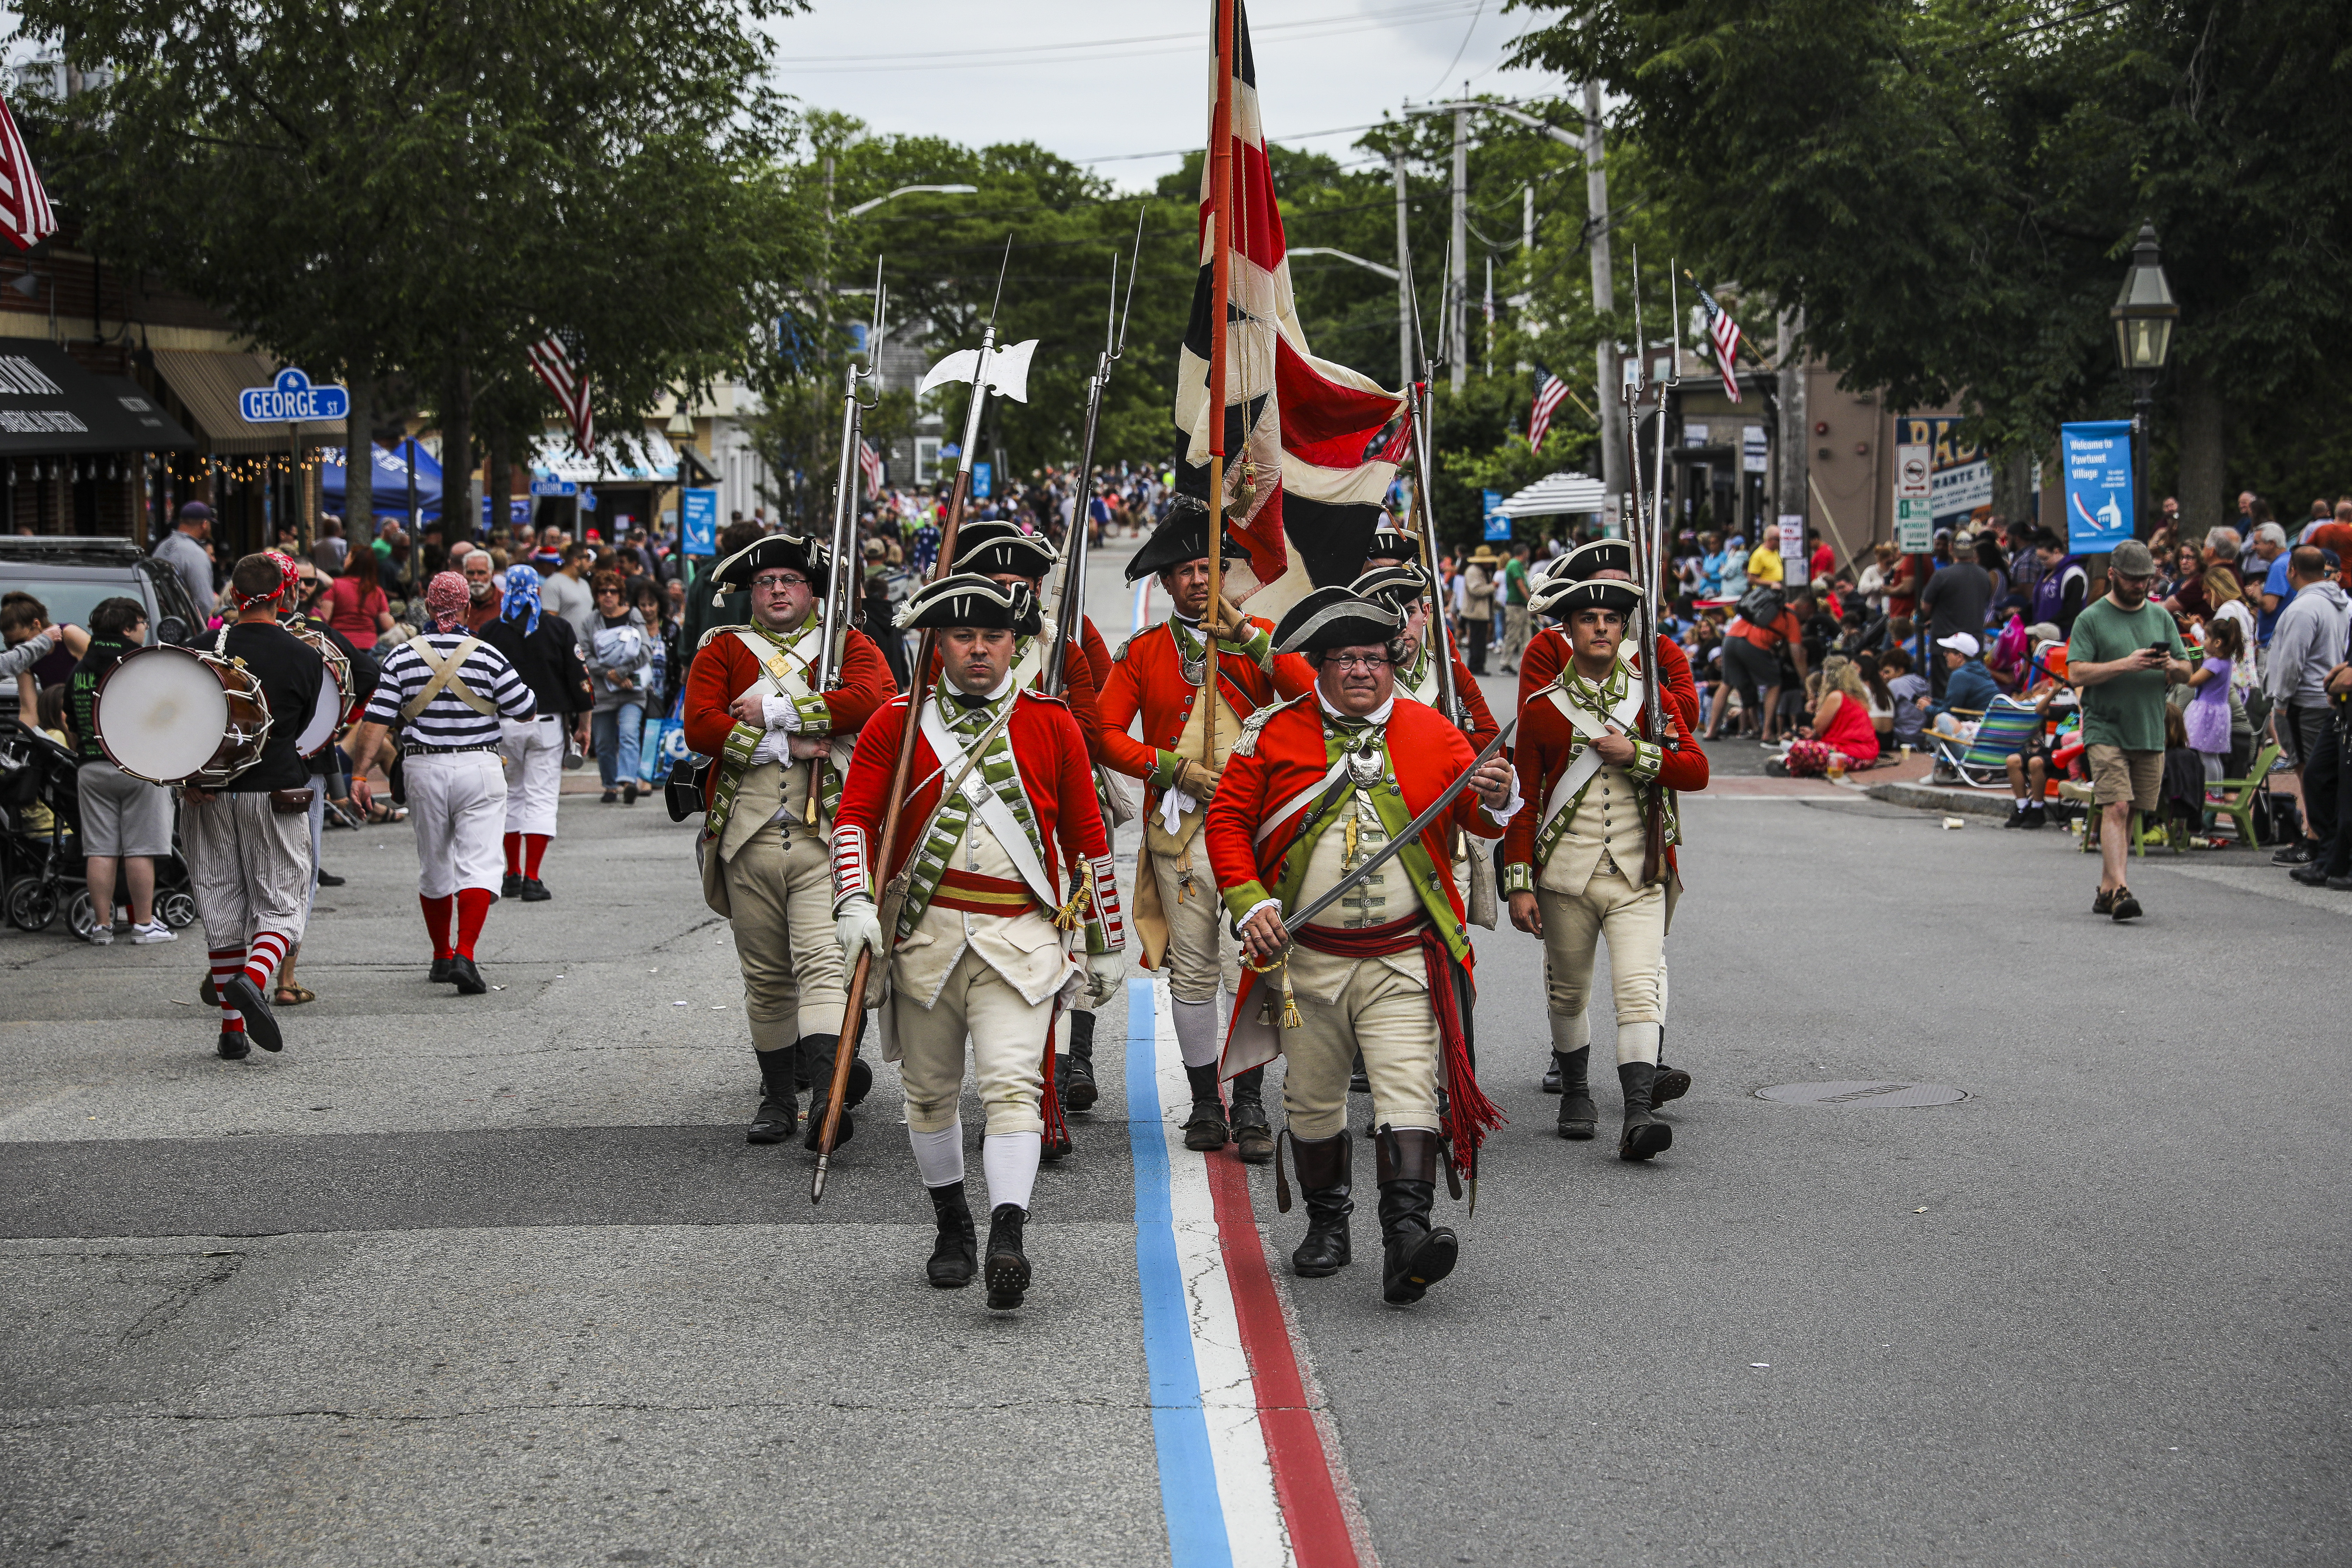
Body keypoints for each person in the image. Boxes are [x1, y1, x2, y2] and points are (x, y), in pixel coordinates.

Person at [1209, 586, 1518, 1304]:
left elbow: (1480, 816)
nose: (1359, 670)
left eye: (1373, 657)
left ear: (1393, 662)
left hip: (1404, 957)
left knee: (1407, 1088)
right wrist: (1250, 900)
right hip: (1306, 959)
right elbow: (1226, 826)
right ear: (1318, 664)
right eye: (1344, 657)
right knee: (1313, 1101)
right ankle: (1326, 1223)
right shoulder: (1271, 733)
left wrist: (1497, 792)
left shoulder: (1436, 731)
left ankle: (1407, 1235)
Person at [831, 574, 1124, 1310]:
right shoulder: (897, 722)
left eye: (994, 636)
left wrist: (1106, 938)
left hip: (1020, 941)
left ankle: (1007, 1233)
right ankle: (952, 1223)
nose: (980, 649)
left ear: (1016, 644)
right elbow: (854, 820)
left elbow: (1089, 840)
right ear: (938, 644)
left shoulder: (1050, 723)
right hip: (924, 939)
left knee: (1011, 1087)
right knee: (929, 1095)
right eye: (963, 636)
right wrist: (854, 897)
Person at [1094, 497, 1316, 1163]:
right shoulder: (1143, 654)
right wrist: (1169, 768)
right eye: (1187, 570)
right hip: (1180, 836)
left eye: (1210, 568)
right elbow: (1103, 734)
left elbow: (1308, 697)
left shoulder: (1261, 638)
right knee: (1192, 970)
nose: (1199, 580)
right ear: (1166, 584)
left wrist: (1248, 636)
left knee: (1249, 962)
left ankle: (1249, 1104)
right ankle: (1204, 1103)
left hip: (1253, 831)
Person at [682, 531, 895, 1146]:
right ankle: (777, 1098)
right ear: (753, 593)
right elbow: (701, 724)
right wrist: (783, 745)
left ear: (812, 592)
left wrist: (775, 711)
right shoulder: (722, 651)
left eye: (791, 581)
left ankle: (829, 1103)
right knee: (767, 977)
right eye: (767, 583)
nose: (778, 591)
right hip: (744, 840)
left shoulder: (848, 646)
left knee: (825, 966)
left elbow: (869, 701)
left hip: (821, 837)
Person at [1505, 569, 1710, 1150]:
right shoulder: (1545, 707)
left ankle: (1639, 1112)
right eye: (1590, 620)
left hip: (1638, 874)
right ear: (1568, 630)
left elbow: (1696, 770)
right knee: (1568, 991)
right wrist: (1519, 883)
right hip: (1566, 875)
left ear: (1624, 629)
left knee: (1640, 987)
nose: (1601, 628)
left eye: (1612, 620)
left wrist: (1640, 753)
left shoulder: (1654, 697)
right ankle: (1575, 1090)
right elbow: (1524, 802)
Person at [929, 521, 1114, 1122]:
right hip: (981, 812)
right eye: (1000, 582)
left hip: (1058, 808)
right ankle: (1027, 1083)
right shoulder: (963, 643)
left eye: (1025, 583)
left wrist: (1047, 712)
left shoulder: (1069, 643)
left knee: (1076, 946)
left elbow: (1094, 729)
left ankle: (1072, 1061)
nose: (1014, 593)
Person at [346, 571, 538, 992]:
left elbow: (376, 721)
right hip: (479, 766)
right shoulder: (489, 655)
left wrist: (360, 775)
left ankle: (439, 955)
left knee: (434, 863)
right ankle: (465, 954)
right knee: (480, 863)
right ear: (469, 608)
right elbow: (525, 708)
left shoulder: (400, 657)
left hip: (423, 767)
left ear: (429, 608)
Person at [179, 553, 324, 1058]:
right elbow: (303, 726)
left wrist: (189, 776)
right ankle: (255, 977)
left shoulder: (197, 650)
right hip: (276, 794)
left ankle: (231, 1030)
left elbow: (176, 725)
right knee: (282, 903)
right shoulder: (306, 657)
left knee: (221, 905)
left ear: (233, 596)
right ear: (284, 596)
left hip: (207, 792)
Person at [2065, 538, 2193, 921]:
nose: (2142, 586)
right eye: (2134, 579)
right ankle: (2122, 890)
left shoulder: (2161, 617)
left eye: (2147, 580)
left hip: (2150, 727)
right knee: (2115, 805)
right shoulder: (2091, 618)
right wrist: (2126, 664)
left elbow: (2189, 671)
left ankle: (2107, 889)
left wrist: (2170, 663)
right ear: (2113, 575)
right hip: (2106, 726)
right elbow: (2076, 672)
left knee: (2132, 809)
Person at [65, 597, 176, 944]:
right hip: (137, 766)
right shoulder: (138, 665)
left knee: (99, 848)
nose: (145, 630)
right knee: (139, 847)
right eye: (142, 624)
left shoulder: (80, 670)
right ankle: (144, 924)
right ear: (128, 628)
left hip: (91, 767)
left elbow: (69, 717)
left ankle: (101, 927)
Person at [481, 564, 592, 901]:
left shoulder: (489, 633)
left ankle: (511, 873)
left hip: (502, 725)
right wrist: (584, 725)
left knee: (510, 795)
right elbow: (580, 679)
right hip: (546, 723)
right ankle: (532, 877)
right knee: (541, 797)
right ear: (537, 590)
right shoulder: (558, 629)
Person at [2264, 546, 2352, 867]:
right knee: (2320, 774)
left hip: (2304, 700)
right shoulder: (2337, 602)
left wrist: (2282, 699)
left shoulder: (2304, 608)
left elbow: (2292, 660)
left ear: (2292, 572)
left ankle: (2315, 840)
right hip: (2325, 694)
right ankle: (2324, 840)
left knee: (2308, 772)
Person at [583, 570, 651, 804]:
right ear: (597, 595)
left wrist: (621, 673)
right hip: (603, 691)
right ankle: (610, 786)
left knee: (630, 733)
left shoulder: (634, 615)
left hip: (633, 689)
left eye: (613, 591)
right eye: (603, 591)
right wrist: (609, 675)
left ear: (620, 594)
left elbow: (646, 650)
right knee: (603, 742)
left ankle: (629, 781)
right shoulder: (589, 621)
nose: (608, 596)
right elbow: (586, 656)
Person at [1713, 586, 1806, 743]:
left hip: (1730, 638)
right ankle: (1767, 733)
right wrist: (1805, 680)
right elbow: (1797, 653)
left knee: (1726, 683)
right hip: (1752, 643)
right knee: (1774, 684)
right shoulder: (1792, 615)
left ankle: (1711, 731)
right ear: (1807, 608)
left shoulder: (1764, 605)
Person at [1919, 531, 1995, 699]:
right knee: (1970, 696)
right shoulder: (1985, 576)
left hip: (1946, 646)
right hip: (1974, 647)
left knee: (1945, 696)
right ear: (1973, 551)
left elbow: (1925, 608)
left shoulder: (1942, 576)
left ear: (1952, 549)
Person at [1782, 655, 1880, 777]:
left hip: (1850, 754)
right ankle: (1796, 766)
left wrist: (1817, 712)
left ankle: (1789, 765)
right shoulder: (1854, 696)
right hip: (1866, 755)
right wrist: (1813, 736)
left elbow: (1818, 726)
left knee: (1800, 747)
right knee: (1806, 746)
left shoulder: (1837, 696)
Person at [2184, 617, 2242, 784]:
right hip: (2216, 711)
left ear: (2217, 643)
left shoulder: (2214, 664)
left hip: (2207, 713)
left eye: (2207, 638)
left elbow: (2192, 681)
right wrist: (2197, 655)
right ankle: (2214, 791)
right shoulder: (2224, 661)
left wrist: (2187, 663)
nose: (2204, 641)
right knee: (2211, 756)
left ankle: (2214, 791)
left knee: (2207, 756)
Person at [151, 502, 219, 623]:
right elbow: (205, 604)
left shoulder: (161, 547)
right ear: (204, 524)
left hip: (158, 622)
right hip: (185, 629)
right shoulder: (196, 554)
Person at [325, 542, 394, 649]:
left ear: (353, 561)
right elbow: (387, 625)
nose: (344, 560)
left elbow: (324, 618)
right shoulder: (376, 591)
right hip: (369, 648)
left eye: (347, 557)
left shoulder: (335, 585)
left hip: (338, 647)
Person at [0, 597, 89, 678]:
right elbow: (27, 696)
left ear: (36, 624)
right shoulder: (21, 658)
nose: (18, 648)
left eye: (21, 641)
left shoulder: (69, 634)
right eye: (10, 644)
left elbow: (99, 674)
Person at [541, 541, 598, 649]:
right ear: (576, 561)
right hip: (565, 648)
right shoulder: (553, 584)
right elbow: (549, 623)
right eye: (587, 559)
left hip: (587, 649)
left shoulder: (585, 584)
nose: (590, 563)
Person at [1457, 545, 1500, 674]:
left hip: (1481, 612)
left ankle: (1479, 666)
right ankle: (1476, 666)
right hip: (1475, 612)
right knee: (1477, 641)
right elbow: (1475, 590)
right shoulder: (1473, 571)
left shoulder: (1483, 571)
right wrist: (1492, 587)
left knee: (1481, 641)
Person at [1500, 540, 1533, 673]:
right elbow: (1520, 585)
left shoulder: (1518, 565)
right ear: (1524, 553)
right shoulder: (1515, 565)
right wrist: (1530, 600)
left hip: (1521, 606)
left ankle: (1526, 663)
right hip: (1515, 606)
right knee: (1513, 635)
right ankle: (1505, 663)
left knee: (1527, 636)